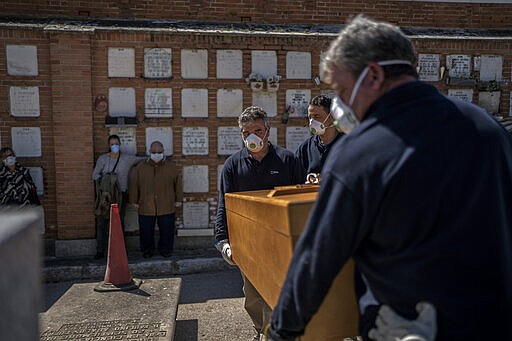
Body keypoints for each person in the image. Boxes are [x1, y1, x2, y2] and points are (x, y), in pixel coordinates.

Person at [265, 15, 512, 341]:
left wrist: (281, 332)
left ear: (374, 74)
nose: (340, 105)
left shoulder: (360, 150)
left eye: (342, 89)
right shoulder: (487, 128)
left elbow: (316, 260)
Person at [215, 106, 302, 340]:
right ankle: (260, 329)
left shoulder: (288, 160)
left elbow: (299, 199)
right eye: (245, 132)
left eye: (257, 130)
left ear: (268, 131)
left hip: (281, 240)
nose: (251, 137)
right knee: (252, 296)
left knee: (282, 291)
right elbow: (225, 203)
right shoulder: (233, 165)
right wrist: (222, 240)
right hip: (248, 242)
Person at [92, 134, 143, 259]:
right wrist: (107, 179)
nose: (114, 146)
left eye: (116, 143)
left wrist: (157, 155)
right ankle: (100, 250)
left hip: (120, 195)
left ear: (119, 144)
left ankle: (119, 250)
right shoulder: (103, 159)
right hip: (105, 195)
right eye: (112, 144)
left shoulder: (126, 159)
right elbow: (94, 175)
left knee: (118, 222)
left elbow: (141, 159)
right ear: (109, 145)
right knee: (102, 222)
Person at [129, 140, 182, 258]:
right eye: (154, 152)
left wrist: (178, 199)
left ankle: (166, 250)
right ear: (149, 152)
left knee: (167, 229)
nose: (156, 154)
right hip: (146, 204)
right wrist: (133, 200)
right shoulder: (141, 167)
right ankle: (147, 250)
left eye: (159, 152)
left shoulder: (171, 167)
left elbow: (178, 184)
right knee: (146, 230)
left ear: (163, 152)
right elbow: (134, 184)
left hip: (166, 203)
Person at [295, 94, 344, 183]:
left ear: (332, 117)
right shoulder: (305, 148)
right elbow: (297, 180)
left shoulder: (347, 145)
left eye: (317, 116)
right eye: (310, 117)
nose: (312, 122)